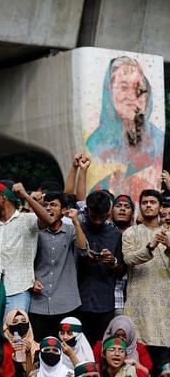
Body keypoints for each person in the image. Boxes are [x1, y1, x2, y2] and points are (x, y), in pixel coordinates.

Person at [0, 181, 54, 338]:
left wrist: (26, 195)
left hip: (18, 291)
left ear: (3, 198)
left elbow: (49, 220)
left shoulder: (27, 220)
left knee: (15, 342)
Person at [85, 56, 163, 199]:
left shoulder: (158, 139)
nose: (131, 95)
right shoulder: (94, 144)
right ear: (110, 93)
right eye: (123, 87)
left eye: (138, 88)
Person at [121, 189, 170, 373]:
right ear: (139, 207)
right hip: (138, 305)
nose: (148, 205)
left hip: (165, 308)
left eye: (153, 202)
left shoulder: (168, 233)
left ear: (161, 207)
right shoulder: (131, 233)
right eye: (144, 202)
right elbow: (128, 259)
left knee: (164, 366)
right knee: (140, 366)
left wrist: (168, 244)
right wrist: (151, 246)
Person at [30, 193, 89, 340]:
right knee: (38, 348)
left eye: (53, 205)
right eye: (45, 205)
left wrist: (75, 222)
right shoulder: (34, 232)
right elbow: (25, 261)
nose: (48, 208)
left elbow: (84, 251)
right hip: (38, 303)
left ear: (64, 210)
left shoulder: (70, 230)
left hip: (66, 303)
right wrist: (31, 280)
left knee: (67, 349)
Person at [78, 191, 125, 343]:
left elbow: (122, 270)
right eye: (94, 217)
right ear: (87, 211)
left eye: (102, 217)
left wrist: (112, 261)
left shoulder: (115, 234)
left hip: (105, 302)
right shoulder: (77, 230)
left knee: (102, 346)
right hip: (78, 301)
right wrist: (84, 256)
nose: (98, 221)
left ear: (108, 213)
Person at [0, 309, 37, 377]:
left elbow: (31, 374)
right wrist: (8, 352)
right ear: (7, 326)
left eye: (24, 321)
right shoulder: (0, 347)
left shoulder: (37, 348)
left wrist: (28, 354)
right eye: (14, 322)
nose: (19, 324)